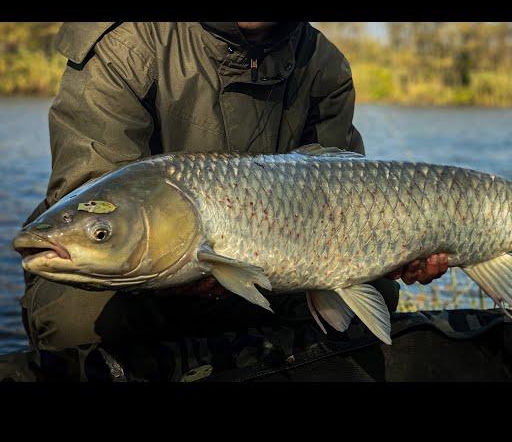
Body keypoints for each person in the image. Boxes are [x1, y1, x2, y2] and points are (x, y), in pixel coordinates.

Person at [11, 22, 449, 381]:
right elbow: (90, 188)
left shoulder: (323, 63)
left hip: (271, 272)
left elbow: (345, 193)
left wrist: (389, 248)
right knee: (73, 315)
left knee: (375, 294)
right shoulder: (126, 42)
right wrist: (183, 267)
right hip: (144, 270)